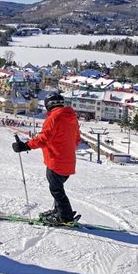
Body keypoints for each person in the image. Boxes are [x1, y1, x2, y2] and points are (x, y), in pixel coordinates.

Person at [12, 92, 81, 225]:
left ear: (49, 105)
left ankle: (65, 217)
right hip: (68, 161)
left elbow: (44, 139)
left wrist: (25, 146)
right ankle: (59, 211)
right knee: (57, 187)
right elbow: (76, 139)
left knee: (56, 190)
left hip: (56, 161)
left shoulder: (53, 118)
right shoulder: (72, 117)